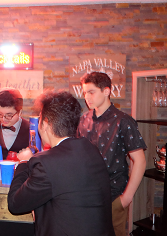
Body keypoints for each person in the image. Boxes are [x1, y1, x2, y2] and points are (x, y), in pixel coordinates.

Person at [8, 91, 115, 236]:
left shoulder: (46, 163)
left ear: (45, 124)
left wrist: (23, 162)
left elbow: (15, 204)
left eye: (39, 119)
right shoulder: (91, 149)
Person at [77, 72, 147, 236]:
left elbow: (140, 161)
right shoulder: (83, 120)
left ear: (107, 91)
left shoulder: (123, 120)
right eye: (85, 92)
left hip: (113, 197)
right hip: (85, 196)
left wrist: (126, 198)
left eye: (91, 92)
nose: (87, 97)